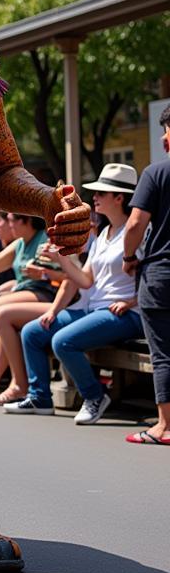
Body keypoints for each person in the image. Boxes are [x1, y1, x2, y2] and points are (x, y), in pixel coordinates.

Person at [5, 164, 142, 422]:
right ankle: (40, 398)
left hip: (125, 313)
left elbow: (152, 278)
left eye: (101, 193)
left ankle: (95, 396)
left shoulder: (136, 233)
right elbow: (86, 280)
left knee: (62, 341)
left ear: (119, 198)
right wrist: (61, 259)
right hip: (97, 310)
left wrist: (131, 301)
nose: (94, 198)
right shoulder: (103, 235)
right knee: (32, 332)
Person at [123, 107, 170, 445]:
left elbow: (135, 224)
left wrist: (128, 257)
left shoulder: (156, 173)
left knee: (164, 351)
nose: (163, 139)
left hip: (162, 275)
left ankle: (164, 426)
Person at [0, 214, 58, 401]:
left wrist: (43, 273)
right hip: (25, 293)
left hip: (45, 293)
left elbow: (59, 277)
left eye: (12, 219)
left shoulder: (44, 240)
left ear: (26, 221)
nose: (8, 224)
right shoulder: (20, 243)